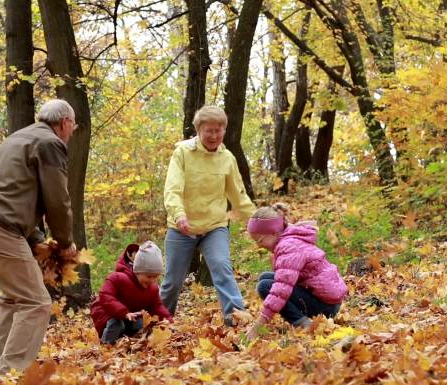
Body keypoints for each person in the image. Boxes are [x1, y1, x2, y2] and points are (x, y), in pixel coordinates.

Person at [0, 99, 78, 374]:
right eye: (72, 127)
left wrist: (37, 238)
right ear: (64, 123)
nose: (71, 134)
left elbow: (16, 194)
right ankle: (9, 373)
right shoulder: (51, 143)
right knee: (37, 302)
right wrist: (64, 242)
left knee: (13, 296)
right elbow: (57, 201)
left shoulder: (16, 139)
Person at [160, 105, 256, 326]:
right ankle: (159, 323)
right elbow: (172, 190)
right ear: (198, 130)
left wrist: (258, 221)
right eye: (209, 130)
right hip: (181, 226)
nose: (214, 135)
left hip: (214, 226)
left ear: (224, 130)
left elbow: (239, 195)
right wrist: (179, 215)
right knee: (172, 282)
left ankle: (236, 320)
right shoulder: (182, 153)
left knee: (222, 267)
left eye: (219, 130)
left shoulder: (227, 158)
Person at [245, 204, 347, 340]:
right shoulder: (289, 238)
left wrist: (257, 327)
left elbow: (280, 291)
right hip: (327, 300)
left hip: (325, 307)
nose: (258, 245)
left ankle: (304, 324)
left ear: (274, 232)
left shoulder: (288, 247)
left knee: (265, 287)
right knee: (265, 278)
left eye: (260, 240)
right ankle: (302, 319)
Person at [90, 241, 172, 344]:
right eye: (148, 276)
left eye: (155, 277)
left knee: (140, 325)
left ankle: (128, 344)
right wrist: (123, 312)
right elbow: (105, 295)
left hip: (131, 315)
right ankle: (106, 345)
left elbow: (156, 306)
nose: (152, 280)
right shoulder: (118, 278)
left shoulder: (153, 289)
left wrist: (167, 319)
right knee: (117, 324)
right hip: (108, 312)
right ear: (137, 271)